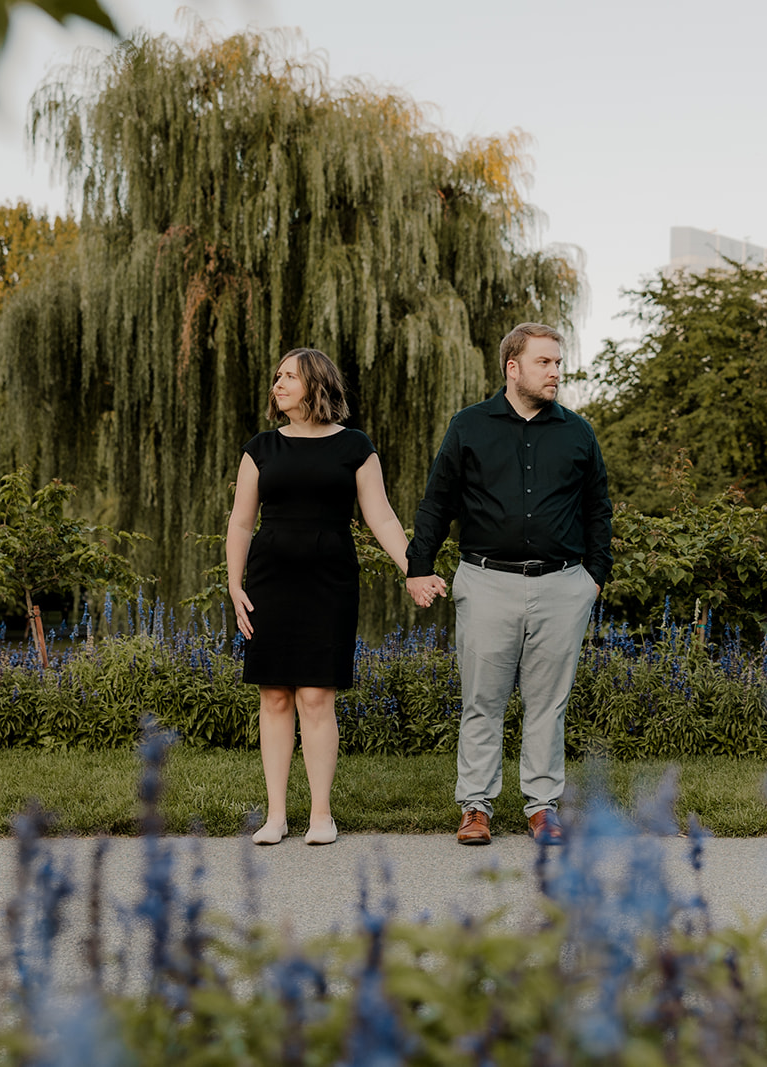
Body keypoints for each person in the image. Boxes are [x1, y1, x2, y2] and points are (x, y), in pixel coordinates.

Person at [405, 322, 612, 846]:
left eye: (558, 363)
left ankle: (542, 808)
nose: (556, 373)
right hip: (487, 581)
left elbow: (597, 511)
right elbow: (438, 502)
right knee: (483, 699)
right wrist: (417, 565)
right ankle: (475, 806)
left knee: (548, 703)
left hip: (564, 586)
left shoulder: (577, 432)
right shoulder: (469, 426)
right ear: (512, 367)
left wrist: (594, 578)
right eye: (545, 363)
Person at [227, 348, 411, 846]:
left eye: (290, 376)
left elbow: (383, 517)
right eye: (276, 376)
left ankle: (322, 815)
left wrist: (414, 567)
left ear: (316, 384)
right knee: (274, 694)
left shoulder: (355, 446)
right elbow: (242, 521)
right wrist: (235, 585)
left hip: (329, 580)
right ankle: (277, 815)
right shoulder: (260, 448)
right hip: (269, 579)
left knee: (315, 694)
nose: (278, 383)